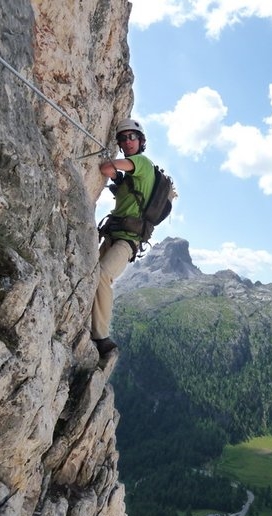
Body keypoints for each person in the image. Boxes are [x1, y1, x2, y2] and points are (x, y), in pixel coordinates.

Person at [92, 118, 155, 360]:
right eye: (123, 138)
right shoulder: (130, 176)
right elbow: (109, 171)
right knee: (91, 274)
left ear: (141, 141)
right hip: (112, 234)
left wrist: (113, 162)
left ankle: (101, 337)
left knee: (102, 274)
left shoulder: (141, 163)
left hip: (127, 240)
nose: (128, 141)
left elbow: (109, 166)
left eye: (132, 137)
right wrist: (116, 172)